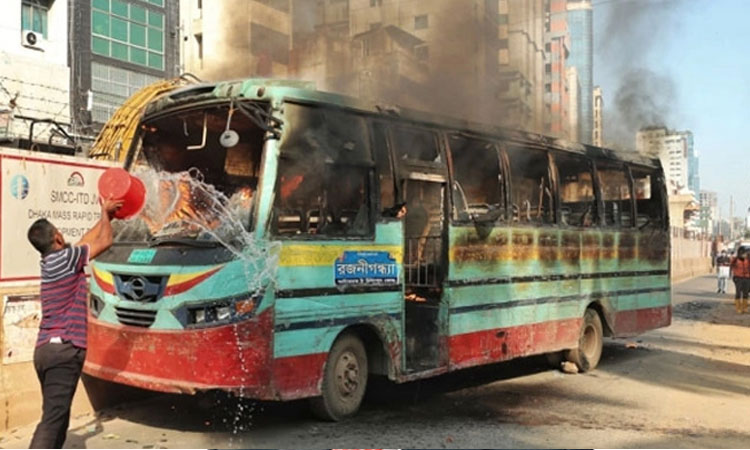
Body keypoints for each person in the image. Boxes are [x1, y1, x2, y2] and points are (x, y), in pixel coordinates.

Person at [26, 198, 122, 449]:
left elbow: (84, 241)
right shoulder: (68, 259)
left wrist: (106, 218)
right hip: (64, 351)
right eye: (60, 231)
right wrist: (104, 214)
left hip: (45, 351)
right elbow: (104, 242)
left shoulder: (54, 261)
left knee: (58, 418)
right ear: (57, 237)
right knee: (52, 421)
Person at [729, 247, 750, 314]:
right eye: (744, 253)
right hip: (738, 278)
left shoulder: (748, 260)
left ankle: (745, 308)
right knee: (738, 293)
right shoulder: (735, 260)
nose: (745, 254)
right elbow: (731, 267)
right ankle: (738, 308)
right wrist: (732, 276)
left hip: (747, 278)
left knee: (746, 293)